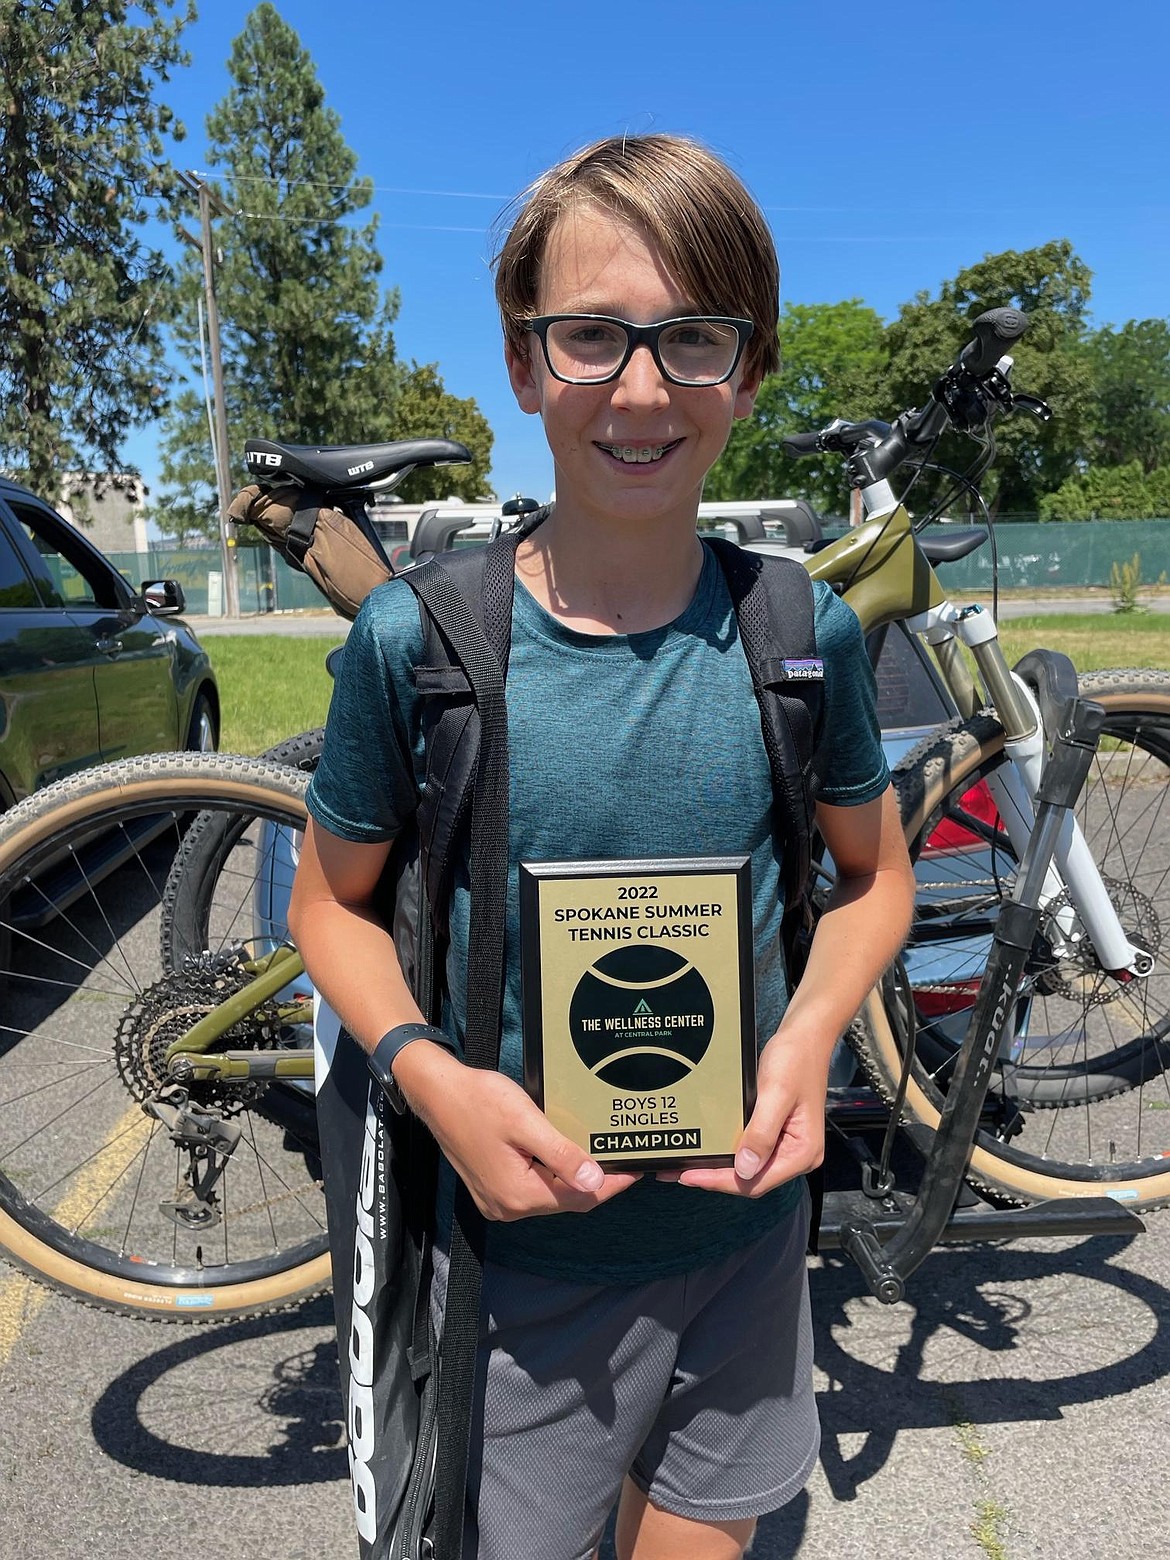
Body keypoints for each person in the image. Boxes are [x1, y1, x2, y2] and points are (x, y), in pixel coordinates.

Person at [289, 132, 916, 1560]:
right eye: (590, 338)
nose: (640, 388)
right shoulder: (424, 643)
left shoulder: (792, 633)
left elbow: (873, 881)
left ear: (747, 371)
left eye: (691, 339)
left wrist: (808, 1039)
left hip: (745, 1257)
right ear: (523, 366)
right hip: (514, 1280)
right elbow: (331, 913)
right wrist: (430, 1076)